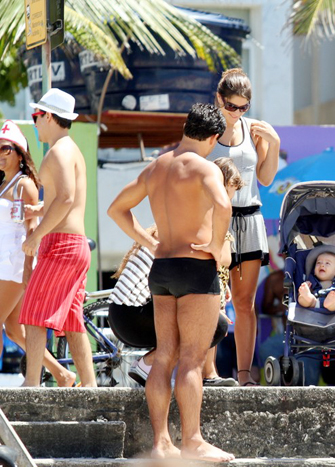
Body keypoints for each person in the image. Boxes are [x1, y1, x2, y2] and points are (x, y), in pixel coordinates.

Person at [107, 103, 235, 462]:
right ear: (212, 137)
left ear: (185, 129)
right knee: (192, 358)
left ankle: (161, 442)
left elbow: (117, 209)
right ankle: (192, 440)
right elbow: (223, 205)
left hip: (161, 269)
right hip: (195, 268)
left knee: (163, 356)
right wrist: (213, 244)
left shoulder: (157, 166)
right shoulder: (204, 167)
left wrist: (149, 242)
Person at [19, 89, 97, 387]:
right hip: (73, 245)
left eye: (36, 117)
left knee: (34, 312)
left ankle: (31, 383)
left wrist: (36, 236)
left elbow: (65, 198)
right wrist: (40, 209)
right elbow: (65, 199)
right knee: (72, 321)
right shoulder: (70, 149)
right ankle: (90, 385)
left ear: (49, 116)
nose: (35, 123)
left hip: (62, 245)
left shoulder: (59, 151)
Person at [207, 68, 280, 387]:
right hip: (215, 219)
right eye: (231, 106)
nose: (236, 113)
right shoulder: (208, 129)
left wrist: (274, 144)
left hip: (249, 217)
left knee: (244, 302)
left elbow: (265, 178)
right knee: (211, 300)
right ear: (219, 99)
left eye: (243, 107)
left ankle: (245, 375)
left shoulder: (253, 130)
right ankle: (207, 371)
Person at [107, 226, 236, 388]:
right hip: (135, 316)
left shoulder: (170, 230)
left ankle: (163, 369)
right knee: (214, 324)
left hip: (121, 316)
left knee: (208, 319)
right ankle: (148, 364)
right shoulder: (188, 239)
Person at [0, 120, 76, 386]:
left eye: (5, 148)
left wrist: (28, 268)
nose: (0, 153)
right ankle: (62, 374)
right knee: (14, 330)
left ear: (20, 153)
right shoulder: (6, 186)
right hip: (4, 263)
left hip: (13, 264)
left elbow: (31, 229)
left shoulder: (24, 186)